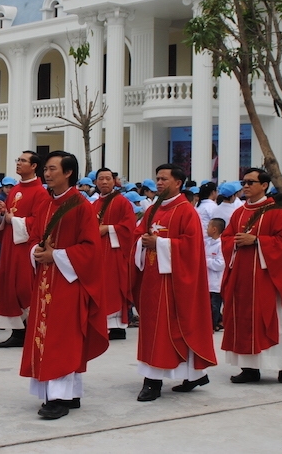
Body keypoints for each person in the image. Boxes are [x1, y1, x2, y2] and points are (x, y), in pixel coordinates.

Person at [20, 151, 107, 420]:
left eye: (52, 169)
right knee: (47, 337)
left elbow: (91, 250)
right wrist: (37, 251)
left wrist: (55, 255)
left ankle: (59, 397)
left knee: (61, 340)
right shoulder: (45, 204)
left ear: (68, 172)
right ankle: (68, 392)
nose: (47, 173)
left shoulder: (81, 206)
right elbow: (35, 237)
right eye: (45, 169)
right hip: (45, 282)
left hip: (69, 284)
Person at [134, 163, 217, 402]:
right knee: (152, 329)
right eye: (157, 178)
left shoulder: (186, 210)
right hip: (151, 278)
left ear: (178, 183)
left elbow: (192, 248)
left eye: (164, 179)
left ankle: (153, 381)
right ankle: (193, 375)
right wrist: (144, 242)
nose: (158, 182)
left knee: (170, 328)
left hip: (173, 283)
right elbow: (138, 235)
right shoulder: (153, 209)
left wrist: (159, 244)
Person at [220, 168, 282, 384]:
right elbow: (227, 238)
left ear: (264, 185)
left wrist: (256, 240)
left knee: (270, 319)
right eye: (244, 182)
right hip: (241, 277)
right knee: (243, 321)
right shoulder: (239, 212)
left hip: (266, 278)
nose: (245, 186)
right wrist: (234, 242)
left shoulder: (275, 212)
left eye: (251, 182)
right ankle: (249, 368)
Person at [0, 150, 48, 348]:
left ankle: (29, 330)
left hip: (25, 248)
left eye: (23, 161)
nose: (18, 163)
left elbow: (38, 222)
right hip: (10, 245)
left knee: (24, 287)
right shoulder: (15, 189)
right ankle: (17, 331)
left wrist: (11, 219)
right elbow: (7, 217)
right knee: (10, 286)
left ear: (33, 166)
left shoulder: (40, 192)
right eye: (18, 160)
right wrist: (2, 212)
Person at [93, 167, 137, 340]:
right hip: (98, 254)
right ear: (96, 182)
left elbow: (129, 227)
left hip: (115, 253)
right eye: (101, 179)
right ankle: (103, 324)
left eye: (108, 179)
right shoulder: (94, 204)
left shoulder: (122, 202)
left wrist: (108, 229)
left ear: (114, 181)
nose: (104, 182)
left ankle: (118, 326)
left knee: (114, 286)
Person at [205, 218, 225, 331]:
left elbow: (220, 264)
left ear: (214, 229)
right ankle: (218, 322)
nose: (206, 228)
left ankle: (211, 327)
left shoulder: (220, 244)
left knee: (214, 306)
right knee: (207, 306)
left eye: (208, 226)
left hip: (216, 282)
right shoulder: (208, 243)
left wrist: (205, 261)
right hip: (208, 280)